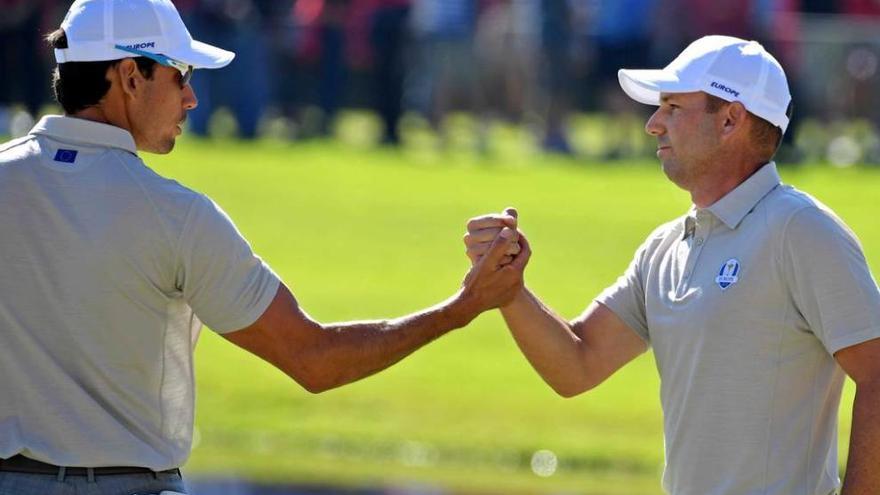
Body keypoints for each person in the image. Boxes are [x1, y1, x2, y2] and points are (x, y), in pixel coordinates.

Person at [0, 1, 524, 494]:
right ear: (131, 76)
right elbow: (314, 359)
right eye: (181, 74)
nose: (191, 98)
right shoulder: (177, 215)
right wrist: (461, 309)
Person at [465, 35, 880, 494]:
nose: (653, 125)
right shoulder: (664, 247)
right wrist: (510, 290)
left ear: (730, 119)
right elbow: (576, 364)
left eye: (673, 107)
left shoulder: (802, 231)